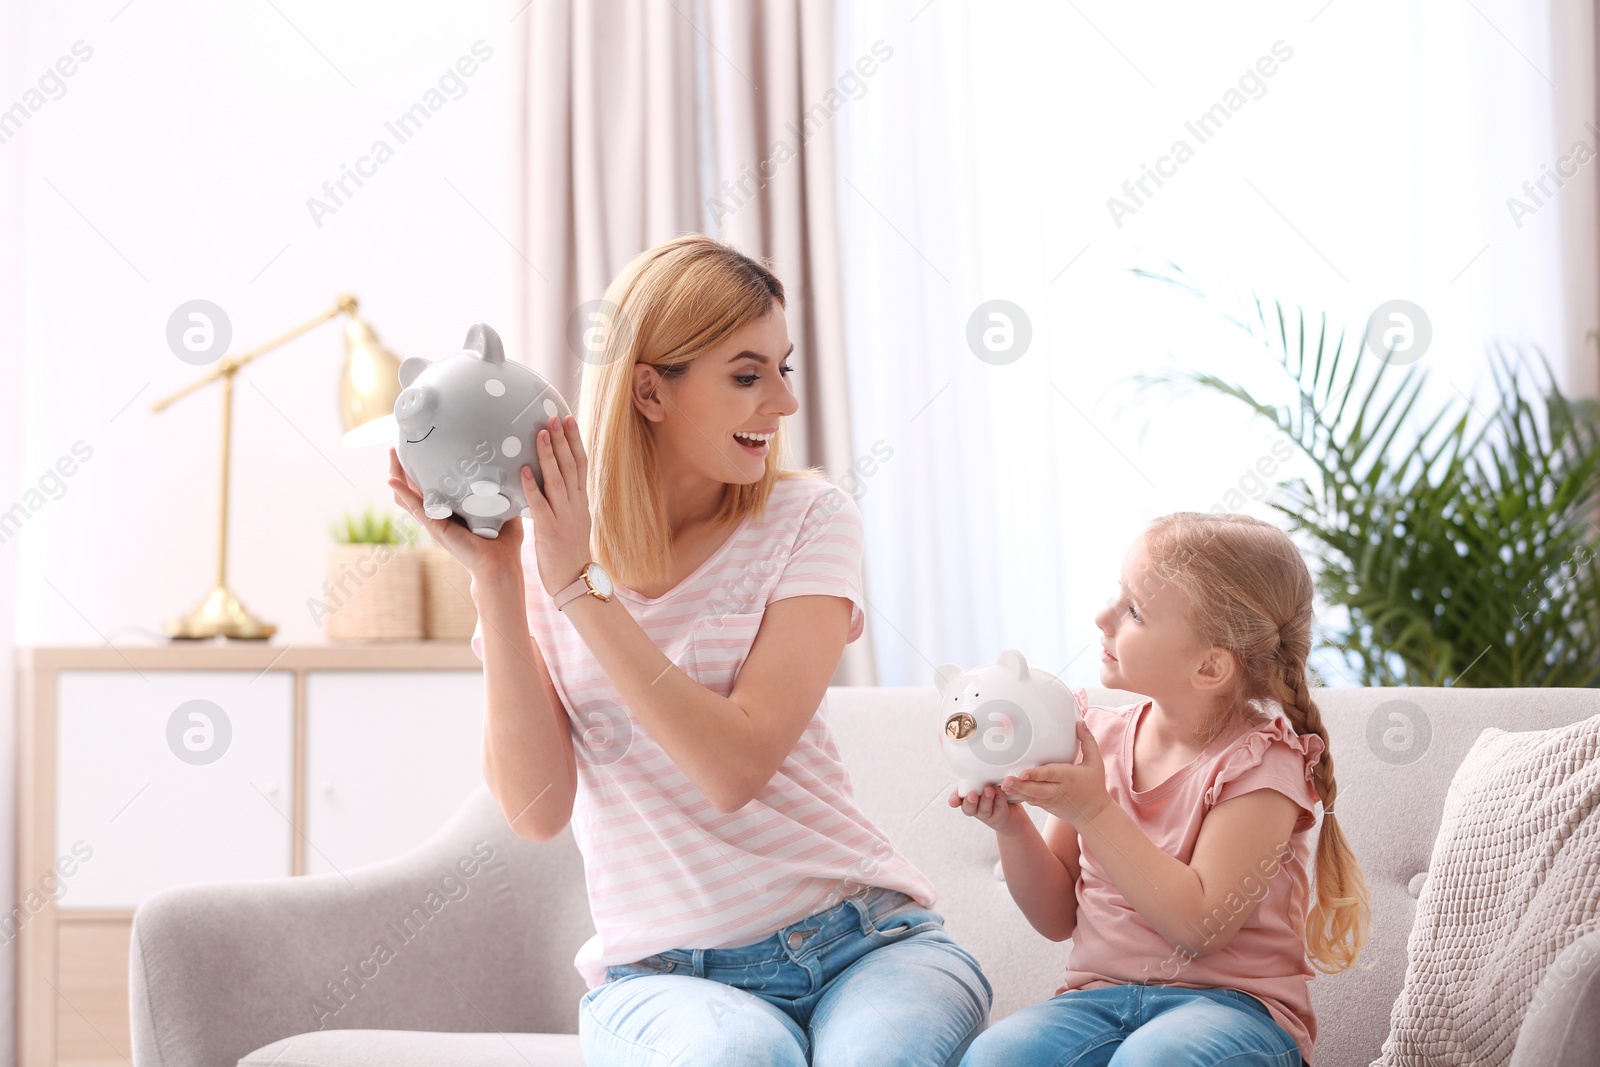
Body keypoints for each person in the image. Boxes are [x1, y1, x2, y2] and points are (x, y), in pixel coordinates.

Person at [388, 234, 992, 1065]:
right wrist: (499, 574)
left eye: (783, 369)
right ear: (649, 390)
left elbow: (732, 766)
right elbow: (536, 813)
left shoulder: (809, 521)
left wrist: (580, 591)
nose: (782, 404)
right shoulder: (540, 559)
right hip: (663, 979)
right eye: (747, 375)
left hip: (867, 943)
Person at [951, 512, 1371, 1067]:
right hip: (1097, 1002)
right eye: (1117, 596)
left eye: (1134, 612)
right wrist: (1011, 824)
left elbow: (1200, 927)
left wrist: (1093, 811)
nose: (1103, 616)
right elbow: (1056, 917)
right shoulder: (1096, 737)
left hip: (1235, 1013)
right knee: (995, 1058)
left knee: (1156, 1060)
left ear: (1210, 666)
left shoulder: (1261, 764)